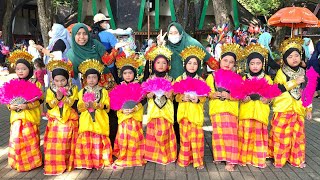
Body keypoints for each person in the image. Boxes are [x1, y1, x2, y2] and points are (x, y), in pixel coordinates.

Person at [269, 37, 312, 168]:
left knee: (298, 137)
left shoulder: (304, 72)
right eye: (290, 56)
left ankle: (297, 159)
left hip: (298, 110)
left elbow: (307, 92)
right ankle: (279, 159)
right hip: (283, 109)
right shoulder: (280, 73)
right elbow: (277, 89)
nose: (294, 59)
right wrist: (294, 82)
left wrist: (309, 109)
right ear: (284, 59)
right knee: (281, 135)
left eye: (297, 55)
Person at [206, 43, 242, 171]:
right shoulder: (212, 77)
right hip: (216, 110)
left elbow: (240, 95)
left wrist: (230, 96)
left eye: (231, 62)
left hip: (230, 111)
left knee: (231, 136)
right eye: (225, 60)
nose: (228, 64)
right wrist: (212, 94)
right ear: (220, 61)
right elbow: (206, 92)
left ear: (234, 64)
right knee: (218, 134)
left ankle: (231, 161)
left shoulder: (237, 78)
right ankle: (220, 156)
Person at [6, 50, 43, 171]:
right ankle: (17, 162)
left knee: (29, 140)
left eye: (23, 68)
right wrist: (10, 107)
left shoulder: (35, 83)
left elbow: (40, 100)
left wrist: (28, 106)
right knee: (16, 140)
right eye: (18, 69)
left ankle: (32, 163)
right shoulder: (13, 83)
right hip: (16, 119)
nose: (20, 71)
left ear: (30, 69)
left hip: (29, 118)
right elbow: (8, 100)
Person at [238, 44, 273, 168]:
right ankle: (244, 158)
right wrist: (243, 98)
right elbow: (239, 94)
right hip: (246, 113)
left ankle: (258, 159)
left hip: (260, 113)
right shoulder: (243, 78)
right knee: (245, 135)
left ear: (262, 64)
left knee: (258, 137)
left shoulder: (268, 79)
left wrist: (267, 99)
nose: (255, 66)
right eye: (252, 63)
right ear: (248, 64)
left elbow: (271, 96)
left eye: (258, 63)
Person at [75, 59, 113, 169]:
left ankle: (100, 161)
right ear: (85, 79)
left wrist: (98, 105)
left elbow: (107, 106)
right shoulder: (81, 92)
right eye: (89, 77)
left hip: (99, 121)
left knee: (99, 142)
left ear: (99, 78)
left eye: (94, 77)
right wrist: (84, 106)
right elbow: (78, 108)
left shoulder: (103, 91)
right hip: (86, 122)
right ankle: (87, 162)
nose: (91, 80)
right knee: (86, 142)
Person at [44, 60, 79, 175]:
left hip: (68, 119)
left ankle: (68, 162)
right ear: (53, 80)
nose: (60, 83)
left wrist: (63, 97)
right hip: (55, 120)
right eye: (57, 80)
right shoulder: (50, 90)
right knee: (54, 143)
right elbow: (48, 105)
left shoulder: (73, 88)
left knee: (66, 142)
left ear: (67, 79)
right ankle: (55, 165)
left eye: (63, 80)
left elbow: (75, 104)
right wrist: (57, 98)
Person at [175, 46, 207, 169]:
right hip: (183, 114)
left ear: (198, 66)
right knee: (185, 138)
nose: (192, 66)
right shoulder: (179, 79)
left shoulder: (201, 80)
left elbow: (205, 96)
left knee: (197, 139)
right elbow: (176, 96)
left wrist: (198, 99)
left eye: (195, 63)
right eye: (189, 63)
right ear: (185, 64)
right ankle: (184, 159)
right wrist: (182, 98)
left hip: (196, 115)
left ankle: (198, 161)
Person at [144, 46, 177, 165]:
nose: (161, 65)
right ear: (153, 64)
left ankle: (166, 155)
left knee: (165, 132)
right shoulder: (149, 79)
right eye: (158, 62)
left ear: (168, 65)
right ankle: (152, 155)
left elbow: (174, 95)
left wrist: (170, 94)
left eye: (164, 62)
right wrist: (150, 93)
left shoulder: (171, 79)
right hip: (153, 111)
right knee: (153, 133)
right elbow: (146, 95)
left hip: (166, 112)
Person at [112, 56, 145, 167]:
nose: (127, 75)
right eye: (125, 73)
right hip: (124, 117)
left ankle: (134, 154)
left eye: (130, 73)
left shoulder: (138, 86)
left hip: (134, 118)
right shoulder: (119, 87)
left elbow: (141, 102)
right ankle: (124, 153)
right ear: (122, 75)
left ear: (134, 74)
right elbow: (116, 103)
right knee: (123, 136)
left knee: (134, 137)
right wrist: (122, 109)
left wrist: (134, 108)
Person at [92, 13, 120, 84]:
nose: (107, 24)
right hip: (109, 65)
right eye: (105, 22)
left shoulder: (89, 35)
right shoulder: (108, 35)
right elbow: (117, 49)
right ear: (100, 24)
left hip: (94, 66)